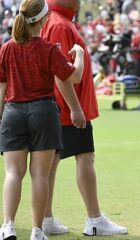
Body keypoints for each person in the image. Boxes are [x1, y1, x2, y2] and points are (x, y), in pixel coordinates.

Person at [40, 0, 128, 236]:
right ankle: (94, 219)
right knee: (85, 157)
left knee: (52, 162)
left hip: (59, 106)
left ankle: (46, 218)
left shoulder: (59, 20)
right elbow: (60, 73)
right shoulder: (59, 24)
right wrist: (75, 108)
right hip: (67, 107)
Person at [0, 0, 84, 239]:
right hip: (44, 113)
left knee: (13, 174)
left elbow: (2, 87)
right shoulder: (48, 49)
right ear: (44, 20)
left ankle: (8, 226)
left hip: (13, 113)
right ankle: (37, 230)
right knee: (40, 175)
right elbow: (74, 76)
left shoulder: (6, 48)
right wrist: (79, 54)